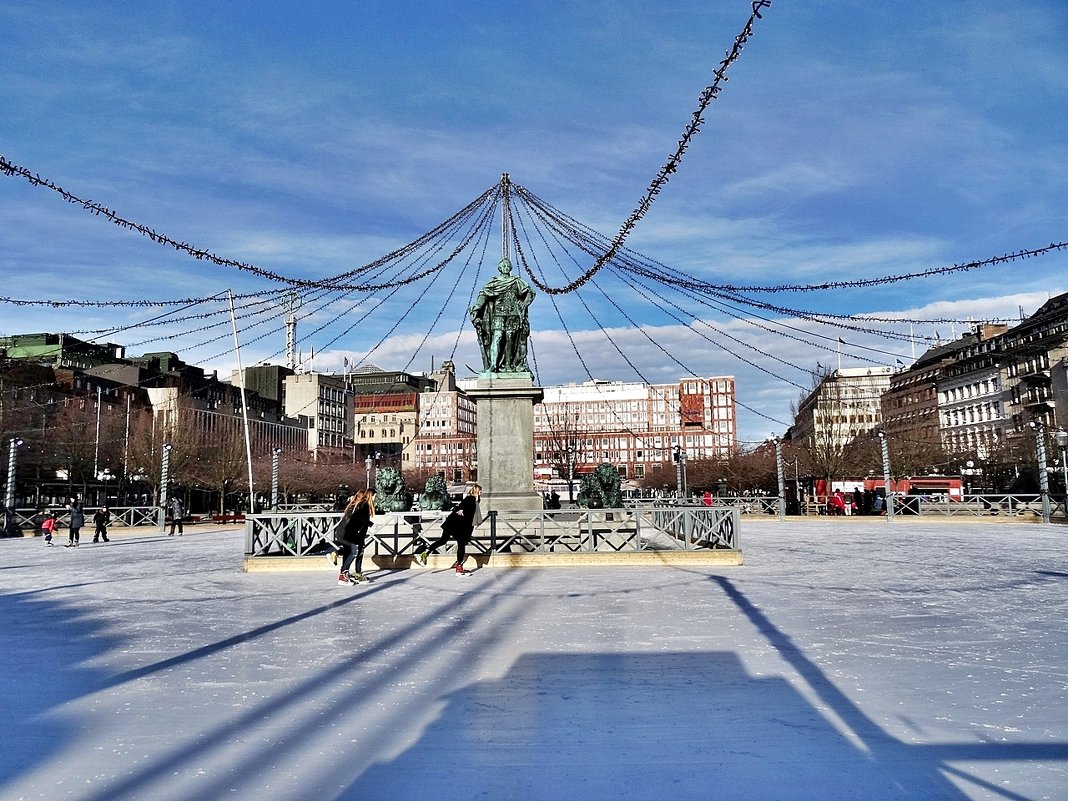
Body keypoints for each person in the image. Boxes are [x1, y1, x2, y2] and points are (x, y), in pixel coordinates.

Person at [469, 258, 535, 374]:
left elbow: (530, 292)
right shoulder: (494, 282)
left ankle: (509, 365)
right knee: (497, 337)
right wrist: (477, 307)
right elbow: (483, 294)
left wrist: (524, 304)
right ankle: (493, 365)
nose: (506, 267)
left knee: (510, 339)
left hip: (513, 314)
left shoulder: (516, 281)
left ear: (510, 268)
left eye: (507, 265)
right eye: (503, 266)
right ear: (499, 268)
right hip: (498, 314)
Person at [415, 484, 482, 575]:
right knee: (461, 545)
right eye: (480, 491)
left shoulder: (471, 499)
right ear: (476, 491)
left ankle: (426, 552)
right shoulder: (471, 499)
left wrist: (461, 509)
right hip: (458, 525)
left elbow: (462, 508)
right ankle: (459, 567)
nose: (481, 493)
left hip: (451, 523)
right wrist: (461, 510)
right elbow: (465, 509)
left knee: (443, 540)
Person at [337, 488, 376, 585]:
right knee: (353, 552)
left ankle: (347, 573)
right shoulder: (362, 505)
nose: (376, 498)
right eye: (375, 496)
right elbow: (358, 517)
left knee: (353, 552)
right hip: (352, 533)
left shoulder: (360, 505)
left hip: (353, 533)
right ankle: (343, 574)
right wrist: (370, 524)